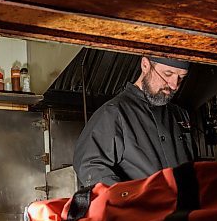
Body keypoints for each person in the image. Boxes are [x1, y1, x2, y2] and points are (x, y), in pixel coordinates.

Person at [73, 56, 195, 187]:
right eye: (168, 74)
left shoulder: (180, 114)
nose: (173, 85)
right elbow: (89, 165)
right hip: (141, 206)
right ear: (145, 65)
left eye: (181, 77)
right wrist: (128, 201)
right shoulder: (114, 112)